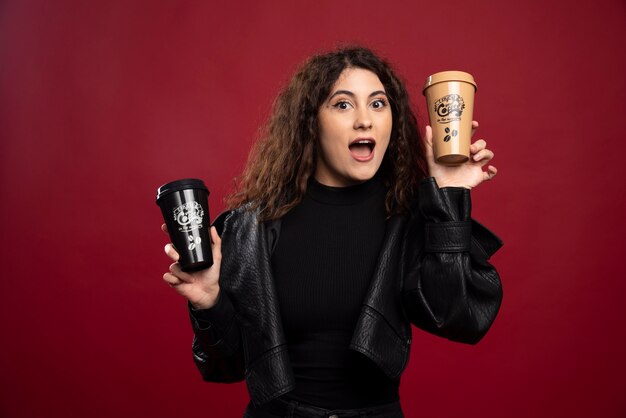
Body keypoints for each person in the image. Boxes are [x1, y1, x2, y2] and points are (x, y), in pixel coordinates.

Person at [161, 46, 503, 418]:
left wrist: (449, 194)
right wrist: (209, 300)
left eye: (377, 104)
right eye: (342, 105)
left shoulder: (412, 220)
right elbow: (223, 367)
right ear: (311, 121)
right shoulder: (251, 226)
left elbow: (460, 318)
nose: (364, 121)